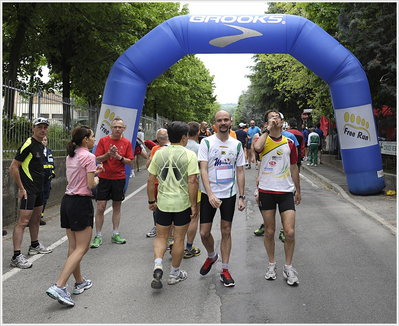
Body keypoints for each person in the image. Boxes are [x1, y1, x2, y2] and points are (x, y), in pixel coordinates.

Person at [46, 125, 104, 307]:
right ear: (85, 140)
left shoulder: (72, 155)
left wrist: (96, 172)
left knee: (73, 247)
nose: (95, 139)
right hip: (80, 203)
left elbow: (79, 176)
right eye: (93, 136)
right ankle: (60, 285)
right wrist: (97, 179)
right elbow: (89, 184)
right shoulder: (89, 156)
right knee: (82, 248)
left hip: (68, 202)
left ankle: (79, 282)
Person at [147, 121, 199, 289]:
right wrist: (193, 205)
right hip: (182, 204)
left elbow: (150, 179)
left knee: (161, 237)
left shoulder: (159, 153)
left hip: (162, 202)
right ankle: (174, 274)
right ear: (184, 137)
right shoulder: (189, 154)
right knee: (178, 239)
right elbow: (192, 181)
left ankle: (158, 264)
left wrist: (151, 200)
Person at [198, 110, 246, 287]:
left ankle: (225, 270)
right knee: (204, 233)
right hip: (209, 194)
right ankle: (212, 256)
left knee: (226, 231)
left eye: (226, 120)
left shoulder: (237, 144)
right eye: (220, 120)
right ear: (215, 123)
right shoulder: (206, 142)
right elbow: (203, 170)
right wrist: (210, 194)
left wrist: (241, 196)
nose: (223, 123)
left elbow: (240, 171)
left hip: (229, 194)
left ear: (231, 121)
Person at [253, 109, 301, 286]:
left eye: (277, 117)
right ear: (266, 123)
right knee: (270, 231)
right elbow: (257, 149)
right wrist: (266, 130)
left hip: (286, 191)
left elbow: (294, 166)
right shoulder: (262, 139)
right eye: (271, 118)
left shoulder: (289, 142)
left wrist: (298, 190)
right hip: (266, 190)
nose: (275, 120)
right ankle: (271, 264)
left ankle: (288, 267)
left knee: (289, 232)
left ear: (283, 122)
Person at [9, 117, 53, 269]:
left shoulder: (40, 145)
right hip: (28, 190)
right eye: (39, 127)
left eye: (45, 127)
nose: (43, 130)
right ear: (33, 128)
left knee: (36, 219)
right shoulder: (28, 144)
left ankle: (34, 245)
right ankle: (16, 256)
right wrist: (21, 188)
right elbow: (13, 167)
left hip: (39, 189)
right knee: (22, 222)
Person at [90, 118, 134, 248]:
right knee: (100, 207)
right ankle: (98, 235)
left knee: (117, 206)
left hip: (119, 178)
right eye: (115, 127)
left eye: (120, 127)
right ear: (111, 128)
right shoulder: (104, 141)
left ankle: (115, 233)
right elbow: (97, 158)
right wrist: (109, 154)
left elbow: (130, 161)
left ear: (124, 128)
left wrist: (119, 157)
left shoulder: (126, 142)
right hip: (104, 177)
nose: (117, 129)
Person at [145, 128, 170, 238]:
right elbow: (148, 165)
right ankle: (156, 226)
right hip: (156, 182)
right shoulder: (155, 148)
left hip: (167, 182)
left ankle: (167, 228)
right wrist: (157, 154)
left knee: (167, 205)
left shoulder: (172, 148)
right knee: (156, 206)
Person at [183, 121, 202, 259]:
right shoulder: (199, 148)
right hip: (195, 185)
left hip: (177, 186)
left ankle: (174, 242)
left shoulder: (177, 146)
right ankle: (189, 247)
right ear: (198, 132)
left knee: (177, 216)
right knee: (194, 216)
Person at [41, 135, 55, 225]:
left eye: (45, 140)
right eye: (43, 140)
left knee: (45, 197)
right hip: (39, 180)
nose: (44, 141)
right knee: (38, 198)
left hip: (47, 179)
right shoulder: (37, 151)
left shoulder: (48, 151)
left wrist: (52, 173)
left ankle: (40, 216)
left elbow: (51, 163)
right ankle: (34, 218)